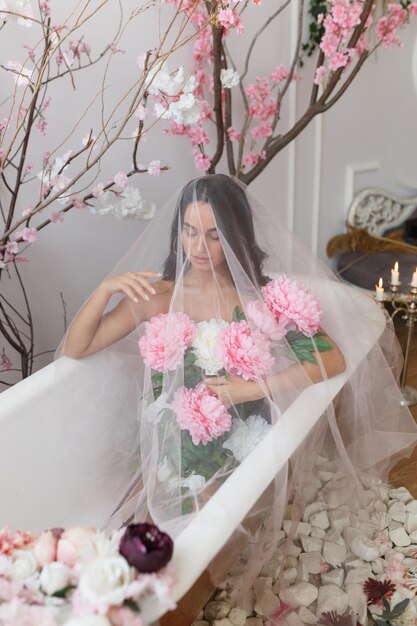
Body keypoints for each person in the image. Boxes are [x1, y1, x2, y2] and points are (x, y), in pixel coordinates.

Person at [56, 174, 417, 618]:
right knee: (135, 520)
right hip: (173, 434)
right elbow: (77, 348)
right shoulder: (160, 296)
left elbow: (332, 359)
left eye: (213, 234)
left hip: (238, 434)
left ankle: (178, 596)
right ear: (177, 233)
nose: (199, 247)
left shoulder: (261, 299)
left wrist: (252, 387)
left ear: (234, 234)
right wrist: (106, 289)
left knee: (200, 525)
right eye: (189, 231)